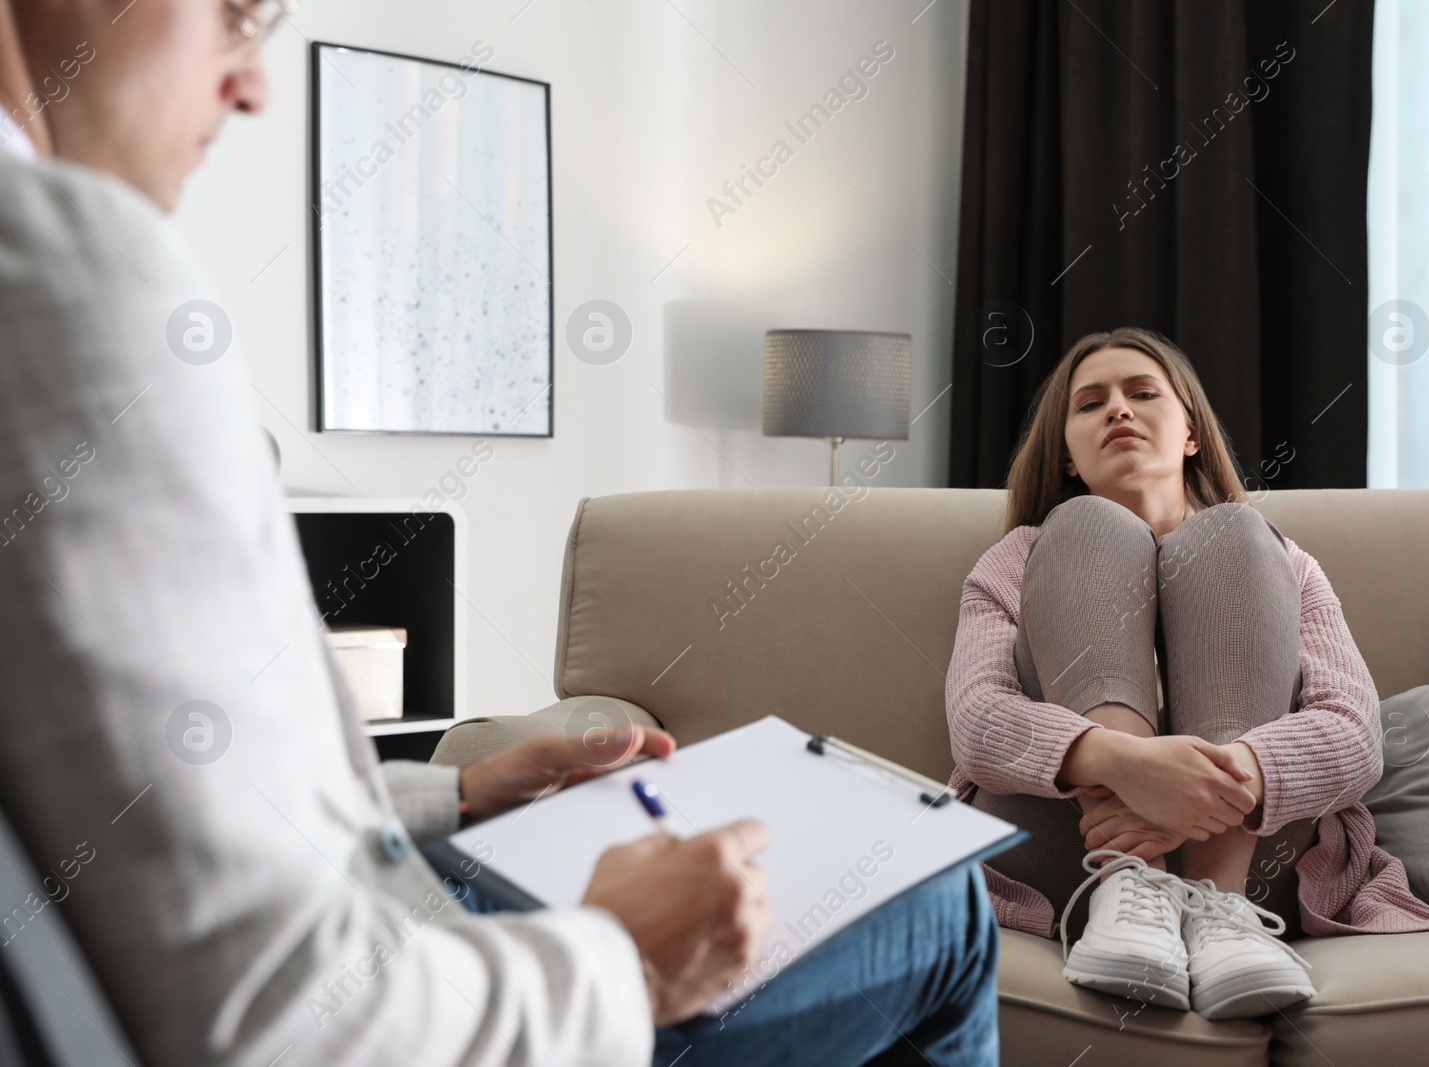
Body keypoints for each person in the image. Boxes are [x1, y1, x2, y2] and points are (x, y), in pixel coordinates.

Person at [0, 2, 998, 1065]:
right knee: (942, 905)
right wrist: (625, 955)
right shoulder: (67, 268)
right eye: (237, 16)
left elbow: (160, 825)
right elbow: (277, 1015)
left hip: (411, 902)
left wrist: (458, 793)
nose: (254, 84)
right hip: (422, 989)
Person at [944, 327, 1429, 1021]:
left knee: (1230, 531)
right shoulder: (1014, 558)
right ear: (1068, 454)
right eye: (1091, 404)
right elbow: (977, 722)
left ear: (1191, 435)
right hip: (1062, 854)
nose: (1118, 410)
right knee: (1083, 527)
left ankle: (1218, 909)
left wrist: (1210, 783)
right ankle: (1125, 883)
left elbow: (1355, 737)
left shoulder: (1280, 559)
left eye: (1142, 393)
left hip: (1262, 862)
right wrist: (1126, 764)